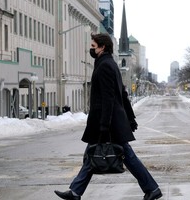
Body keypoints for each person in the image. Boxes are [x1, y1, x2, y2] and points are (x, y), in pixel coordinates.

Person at [54, 33, 162, 200]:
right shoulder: (110, 64)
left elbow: (109, 98)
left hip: (107, 123)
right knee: (92, 155)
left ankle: (152, 188)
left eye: (93, 46)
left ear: (102, 47)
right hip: (110, 122)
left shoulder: (105, 66)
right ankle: (75, 192)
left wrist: (104, 127)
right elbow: (123, 95)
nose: (90, 49)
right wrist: (130, 117)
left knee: (125, 156)